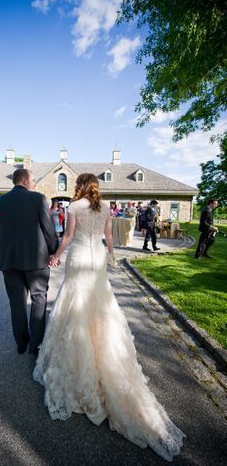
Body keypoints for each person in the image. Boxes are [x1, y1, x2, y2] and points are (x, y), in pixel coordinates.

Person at [33, 174, 185, 461]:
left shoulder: (73, 207)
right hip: (98, 258)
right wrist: (112, 255)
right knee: (98, 304)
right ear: (97, 188)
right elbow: (109, 236)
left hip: (79, 257)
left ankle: (79, 360)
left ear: (79, 186)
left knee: (74, 302)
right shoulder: (104, 208)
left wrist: (56, 255)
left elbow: (67, 236)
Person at [0, 168, 59, 355]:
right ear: (24, 181)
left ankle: (21, 343)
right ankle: (35, 344)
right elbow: (49, 229)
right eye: (33, 179)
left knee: (17, 302)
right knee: (39, 298)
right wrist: (53, 251)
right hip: (36, 260)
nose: (35, 183)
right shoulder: (38, 198)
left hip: (9, 260)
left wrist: (6, 251)